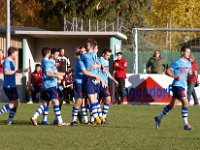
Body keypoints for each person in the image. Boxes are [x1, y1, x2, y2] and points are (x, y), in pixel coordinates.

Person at [154, 45, 193, 130]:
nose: (189, 54)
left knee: (172, 105)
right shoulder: (177, 62)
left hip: (182, 86)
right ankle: (186, 124)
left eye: (189, 52)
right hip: (177, 86)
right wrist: (175, 76)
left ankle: (158, 118)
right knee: (186, 102)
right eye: (187, 52)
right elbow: (167, 71)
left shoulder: (189, 63)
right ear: (182, 52)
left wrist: (193, 76)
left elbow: (190, 74)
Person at [30, 47, 67, 126]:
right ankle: (60, 121)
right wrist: (57, 75)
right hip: (50, 85)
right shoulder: (47, 62)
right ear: (49, 53)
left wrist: (58, 73)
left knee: (46, 103)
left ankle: (35, 116)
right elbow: (47, 73)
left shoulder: (44, 61)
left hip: (47, 85)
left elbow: (50, 70)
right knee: (56, 101)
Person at [0, 47, 28, 125]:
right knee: (14, 103)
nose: (17, 55)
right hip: (8, 86)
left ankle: (9, 120)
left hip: (12, 86)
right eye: (16, 54)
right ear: (12, 53)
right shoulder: (7, 61)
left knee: (17, 103)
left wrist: (23, 70)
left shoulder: (11, 61)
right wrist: (15, 71)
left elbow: (13, 71)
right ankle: (8, 119)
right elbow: (6, 72)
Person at [80, 39, 105, 126]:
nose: (85, 47)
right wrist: (98, 66)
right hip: (96, 79)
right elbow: (99, 65)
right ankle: (100, 117)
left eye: (87, 45)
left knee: (91, 100)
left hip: (90, 78)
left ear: (90, 46)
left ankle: (97, 118)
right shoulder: (94, 56)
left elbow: (81, 61)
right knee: (94, 100)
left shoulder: (85, 56)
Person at [97, 48, 119, 123]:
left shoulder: (107, 61)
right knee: (99, 101)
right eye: (107, 55)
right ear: (103, 54)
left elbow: (106, 72)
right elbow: (97, 67)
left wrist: (114, 80)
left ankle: (103, 117)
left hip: (105, 84)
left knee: (105, 100)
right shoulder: (99, 59)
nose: (109, 57)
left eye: (109, 55)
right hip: (99, 83)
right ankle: (99, 118)